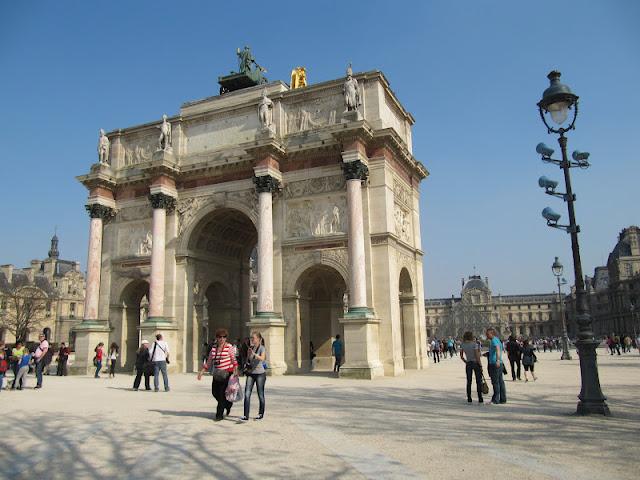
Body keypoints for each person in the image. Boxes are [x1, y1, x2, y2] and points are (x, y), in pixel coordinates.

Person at [197, 328, 238, 421]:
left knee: (221, 394)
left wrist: (235, 370)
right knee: (214, 392)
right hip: (217, 374)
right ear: (217, 338)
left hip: (227, 373)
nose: (222, 339)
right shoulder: (214, 349)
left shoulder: (229, 347)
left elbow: (233, 359)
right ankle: (228, 404)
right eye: (220, 337)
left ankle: (219, 415)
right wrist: (202, 372)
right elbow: (209, 361)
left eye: (224, 337)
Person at [241, 331, 267, 421]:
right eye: (251, 338)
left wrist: (254, 354)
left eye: (254, 338)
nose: (252, 340)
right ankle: (245, 415)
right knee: (247, 393)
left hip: (260, 374)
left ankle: (260, 413)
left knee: (260, 394)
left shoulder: (262, 348)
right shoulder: (251, 348)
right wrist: (249, 354)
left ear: (259, 339)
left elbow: (262, 358)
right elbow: (249, 360)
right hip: (251, 373)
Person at [460, 331, 483, 403]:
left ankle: (469, 398)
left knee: (469, 381)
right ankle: (480, 398)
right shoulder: (475, 344)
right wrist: (480, 365)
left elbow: (461, 356)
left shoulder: (462, 345)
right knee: (478, 381)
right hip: (476, 363)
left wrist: (465, 361)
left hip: (468, 364)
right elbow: (477, 356)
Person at [486, 327, 506, 404]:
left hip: (495, 364)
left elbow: (497, 349)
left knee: (495, 382)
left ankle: (495, 399)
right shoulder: (497, 339)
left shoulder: (494, 341)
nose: (486, 335)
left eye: (487, 334)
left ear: (492, 334)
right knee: (500, 382)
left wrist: (497, 360)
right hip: (499, 363)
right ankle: (503, 399)